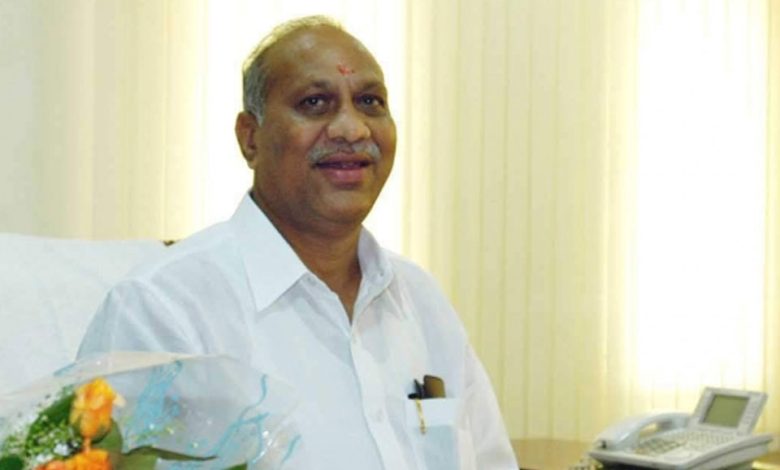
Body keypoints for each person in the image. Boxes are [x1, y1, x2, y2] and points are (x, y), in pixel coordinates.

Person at [78, 15, 517, 469]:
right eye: (315, 102)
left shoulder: (422, 303)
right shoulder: (162, 311)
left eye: (370, 101)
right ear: (250, 138)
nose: (353, 129)